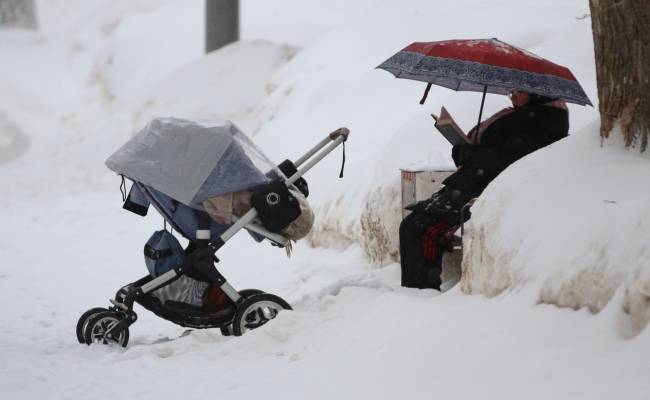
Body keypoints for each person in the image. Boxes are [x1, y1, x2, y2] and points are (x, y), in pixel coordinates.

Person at [399, 90, 569, 290]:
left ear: (538, 93)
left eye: (519, 92)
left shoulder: (543, 123)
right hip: (470, 184)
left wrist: (469, 154)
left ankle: (421, 294)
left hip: (484, 193)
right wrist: (467, 152)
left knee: (421, 230)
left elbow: (506, 160)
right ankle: (415, 292)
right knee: (411, 225)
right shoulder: (526, 115)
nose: (513, 96)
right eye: (511, 91)